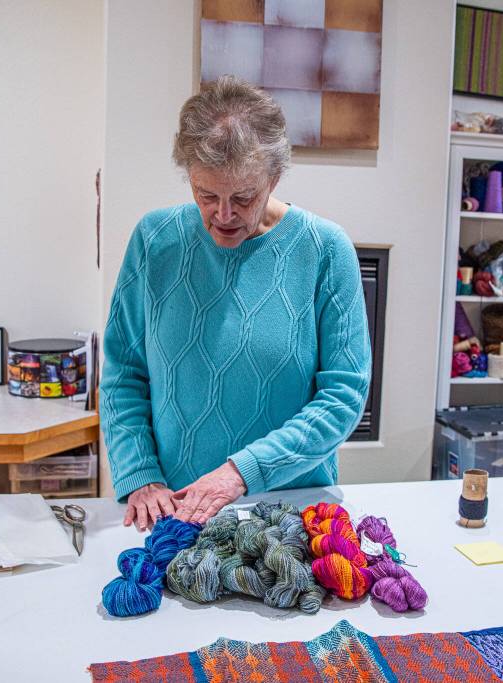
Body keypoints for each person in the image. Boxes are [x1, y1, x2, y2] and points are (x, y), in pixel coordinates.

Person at [101, 76, 371, 531]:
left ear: (274, 178)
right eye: (206, 195)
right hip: (172, 507)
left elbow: (344, 396)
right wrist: (139, 473)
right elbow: (123, 373)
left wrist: (241, 473)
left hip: (292, 510)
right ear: (189, 177)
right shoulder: (154, 240)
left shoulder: (324, 249)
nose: (223, 215)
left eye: (243, 197)